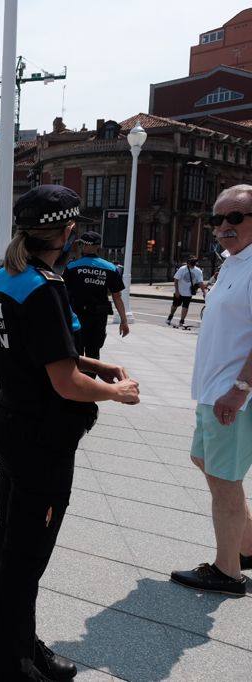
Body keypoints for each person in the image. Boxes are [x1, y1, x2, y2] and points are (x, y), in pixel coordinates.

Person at [0, 185, 140, 680]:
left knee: (9, 542)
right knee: (26, 556)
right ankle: (14, 664)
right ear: (68, 232)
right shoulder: (44, 287)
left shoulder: (6, 278)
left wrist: (97, 363)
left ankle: (21, 645)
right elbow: (65, 382)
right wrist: (119, 392)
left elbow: (40, 352)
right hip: (41, 437)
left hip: (10, 420)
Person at [171, 185, 252, 597]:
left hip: (234, 396)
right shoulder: (231, 262)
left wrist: (240, 389)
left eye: (235, 218)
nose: (223, 226)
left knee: (224, 479)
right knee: (203, 459)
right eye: (218, 219)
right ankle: (247, 546)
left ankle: (227, 572)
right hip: (213, 390)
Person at [64, 231, 129, 359]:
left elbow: (63, 294)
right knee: (93, 352)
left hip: (76, 315)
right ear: (98, 246)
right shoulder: (110, 268)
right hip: (98, 317)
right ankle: (91, 377)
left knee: (76, 353)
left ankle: (79, 377)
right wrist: (124, 321)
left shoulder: (72, 267)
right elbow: (117, 296)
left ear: (84, 245)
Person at [167, 255, 208, 328]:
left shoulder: (198, 271)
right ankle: (170, 316)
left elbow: (200, 282)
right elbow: (176, 279)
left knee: (185, 307)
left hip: (189, 293)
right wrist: (177, 291)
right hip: (180, 291)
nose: (188, 264)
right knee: (175, 306)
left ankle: (182, 321)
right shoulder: (182, 269)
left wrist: (204, 292)